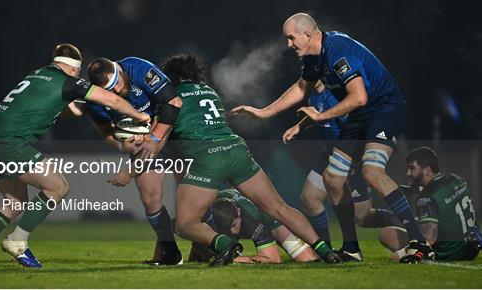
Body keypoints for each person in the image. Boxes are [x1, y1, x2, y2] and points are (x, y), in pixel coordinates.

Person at [232, 13, 432, 263]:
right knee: (333, 178)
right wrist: (263, 112)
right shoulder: (314, 58)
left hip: (383, 109)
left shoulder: (338, 52)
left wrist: (320, 116)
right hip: (360, 115)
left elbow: (359, 97)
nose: (289, 44)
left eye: (291, 38)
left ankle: (420, 243)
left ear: (308, 34)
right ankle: (351, 249)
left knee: (371, 171)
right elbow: (301, 88)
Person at [0, 44, 150, 269]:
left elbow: (70, 108)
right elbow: (114, 100)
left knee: (14, 202)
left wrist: (89, 106)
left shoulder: (37, 75)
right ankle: (17, 241)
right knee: (57, 187)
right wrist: (140, 116)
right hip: (10, 144)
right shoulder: (69, 82)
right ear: (75, 69)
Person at [154, 54, 340, 266]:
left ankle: (224, 245)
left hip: (207, 158)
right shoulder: (209, 91)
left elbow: (164, 134)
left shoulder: (171, 95)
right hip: (236, 150)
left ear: (171, 76)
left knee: (185, 223)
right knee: (280, 209)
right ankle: (326, 251)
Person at [282, 81, 401, 261]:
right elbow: (318, 113)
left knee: (363, 217)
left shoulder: (338, 95)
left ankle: (397, 225)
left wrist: (353, 161)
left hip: (350, 155)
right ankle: (327, 251)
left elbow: (356, 126)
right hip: (329, 154)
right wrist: (299, 126)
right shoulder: (314, 93)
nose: (306, 73)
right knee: (309, 199)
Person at [85, 57, 182, 265]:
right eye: (108, 91)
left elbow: (173, 102)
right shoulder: (94, 99)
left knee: (191, 197)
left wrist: (153, 138)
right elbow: (106, 131)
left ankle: (212, 245)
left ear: (119, 71)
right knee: (149, 198)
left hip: (173, 129)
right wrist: (121, 145)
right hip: (141, 142)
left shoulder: (139, 69)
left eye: (115, 85)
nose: (116, 92)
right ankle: (172, 254)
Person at [379, 147, 480, 261]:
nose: (408, 173)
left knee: (388, 240)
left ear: (426, 170)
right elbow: (441, 194)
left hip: (449, 253)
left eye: (412, 168)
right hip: (471, 247)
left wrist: (402, 253)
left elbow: (429, 239)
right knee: (387, 233)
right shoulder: (456, 179)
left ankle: (428, 255)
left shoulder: (425, 198)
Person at [188, 188, 319, 264]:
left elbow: (273, 259)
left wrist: (238, 259)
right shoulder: (209, 213)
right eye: (228, 228)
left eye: (234, 225)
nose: (233, 231)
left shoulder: (251, 219)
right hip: (227, 208)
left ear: (238, 214)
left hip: (269, 219)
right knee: (202, 250)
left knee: (307, 259)